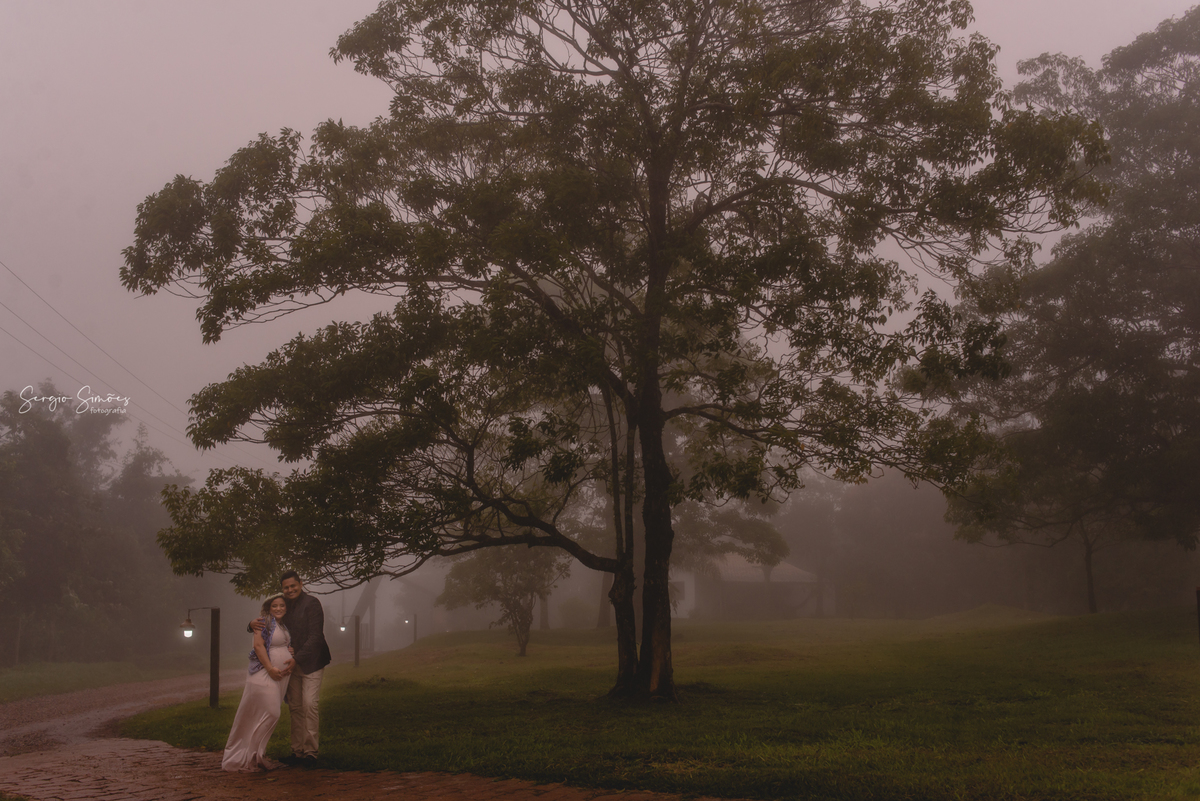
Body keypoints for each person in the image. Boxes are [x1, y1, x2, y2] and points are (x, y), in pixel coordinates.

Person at [251, 570, 332, 764]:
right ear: (282, 589)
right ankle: (297, 751)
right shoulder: (284, 605)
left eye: (293, 586)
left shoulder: (312, 604)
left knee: (309, 704)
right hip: (291, 665)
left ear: (301, 584)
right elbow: (271, 619)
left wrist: (298, 658)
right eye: (286, 587)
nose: (290, 590)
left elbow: (316, 637)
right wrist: (250, 624)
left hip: (312, 662)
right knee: (295, 707)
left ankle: (311, 752)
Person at [222, 594, 293, 772]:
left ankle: (258, 755)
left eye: (282, 605)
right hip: (264, 674)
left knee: (267, 714)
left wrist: (290, 650)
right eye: (275, 606)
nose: (278, 608)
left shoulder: (283, 625)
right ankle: (247, 755)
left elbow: (281, 644)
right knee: (272, 712)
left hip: (281, 676)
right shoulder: (263, 622)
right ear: (269, 608)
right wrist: (270, 668)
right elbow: (259, 646)